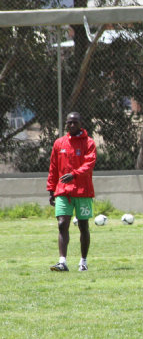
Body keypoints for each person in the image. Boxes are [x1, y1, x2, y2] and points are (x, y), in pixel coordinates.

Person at [46, 112, 97, 272]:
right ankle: (62, 262)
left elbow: (90, 163)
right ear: (66, 124)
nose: (72, 125)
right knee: (62, 224)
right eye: (69, 123)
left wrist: (74, 174)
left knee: (83, 226)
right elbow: (53, 167)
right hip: (63, 191)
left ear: (81, 123)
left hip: (83, 191)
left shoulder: (89, 143)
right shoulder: (59, 143)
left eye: (75, 122)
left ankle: (83, 261)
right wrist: (51, 189)